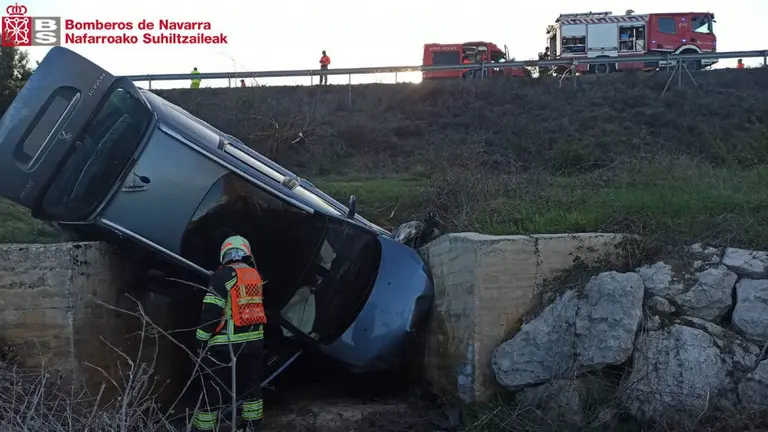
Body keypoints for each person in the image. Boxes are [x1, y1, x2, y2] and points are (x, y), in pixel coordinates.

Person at [191, 235, 266, 432]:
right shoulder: (254, 275)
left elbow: (211, 311)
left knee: (213, 387)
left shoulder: (223, 275)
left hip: (225, 342)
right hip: (254, 342)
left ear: (224, 253)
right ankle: (251, 425)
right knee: (251, 384)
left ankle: (205, 428)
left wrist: (200, 339)